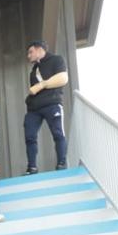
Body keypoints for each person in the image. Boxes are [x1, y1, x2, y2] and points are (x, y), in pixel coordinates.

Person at [23, 40, 69, 173]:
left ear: (39, 49)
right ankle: (32, 167)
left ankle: (61, 163)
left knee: (58, 133)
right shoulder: (34, 70)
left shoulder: (56, 60)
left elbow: (63, 78)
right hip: (34, 109)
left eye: (30, 52)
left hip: (52, 104)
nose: (29, 55)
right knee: (30, 136)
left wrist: (41, 85)